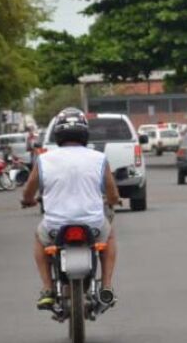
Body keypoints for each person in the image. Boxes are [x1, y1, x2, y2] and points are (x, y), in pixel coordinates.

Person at [21, 108, 120, 311]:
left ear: (58, 134)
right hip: (92, 225)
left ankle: (48, 289)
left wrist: (27, 200)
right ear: (85, 133)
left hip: (55, 227)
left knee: (39, 238)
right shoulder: (99, 158)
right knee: (109, 236)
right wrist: (113, 200)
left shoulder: (44, 159)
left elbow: (28, 191)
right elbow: (112, 193)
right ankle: (107, 287)